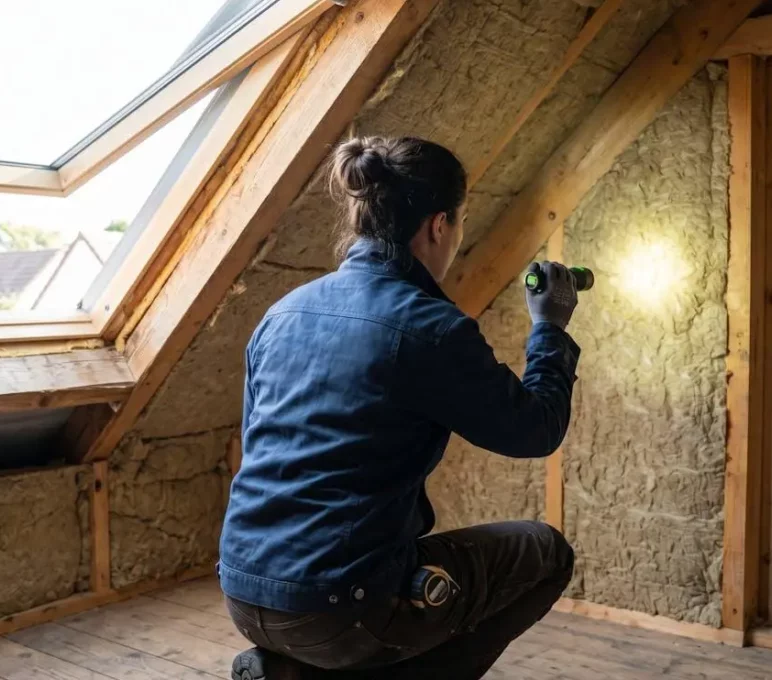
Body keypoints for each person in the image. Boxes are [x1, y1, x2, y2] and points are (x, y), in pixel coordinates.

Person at [219, 136, 582, 680]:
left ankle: (297, 673)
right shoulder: (431, 327)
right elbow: (536, 431)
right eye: (458, 223)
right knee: (545, 554)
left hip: (243, 592)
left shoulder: (282, 313)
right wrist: (549, 328)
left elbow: (259, 442)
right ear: (438, 225)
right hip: (342, 606)